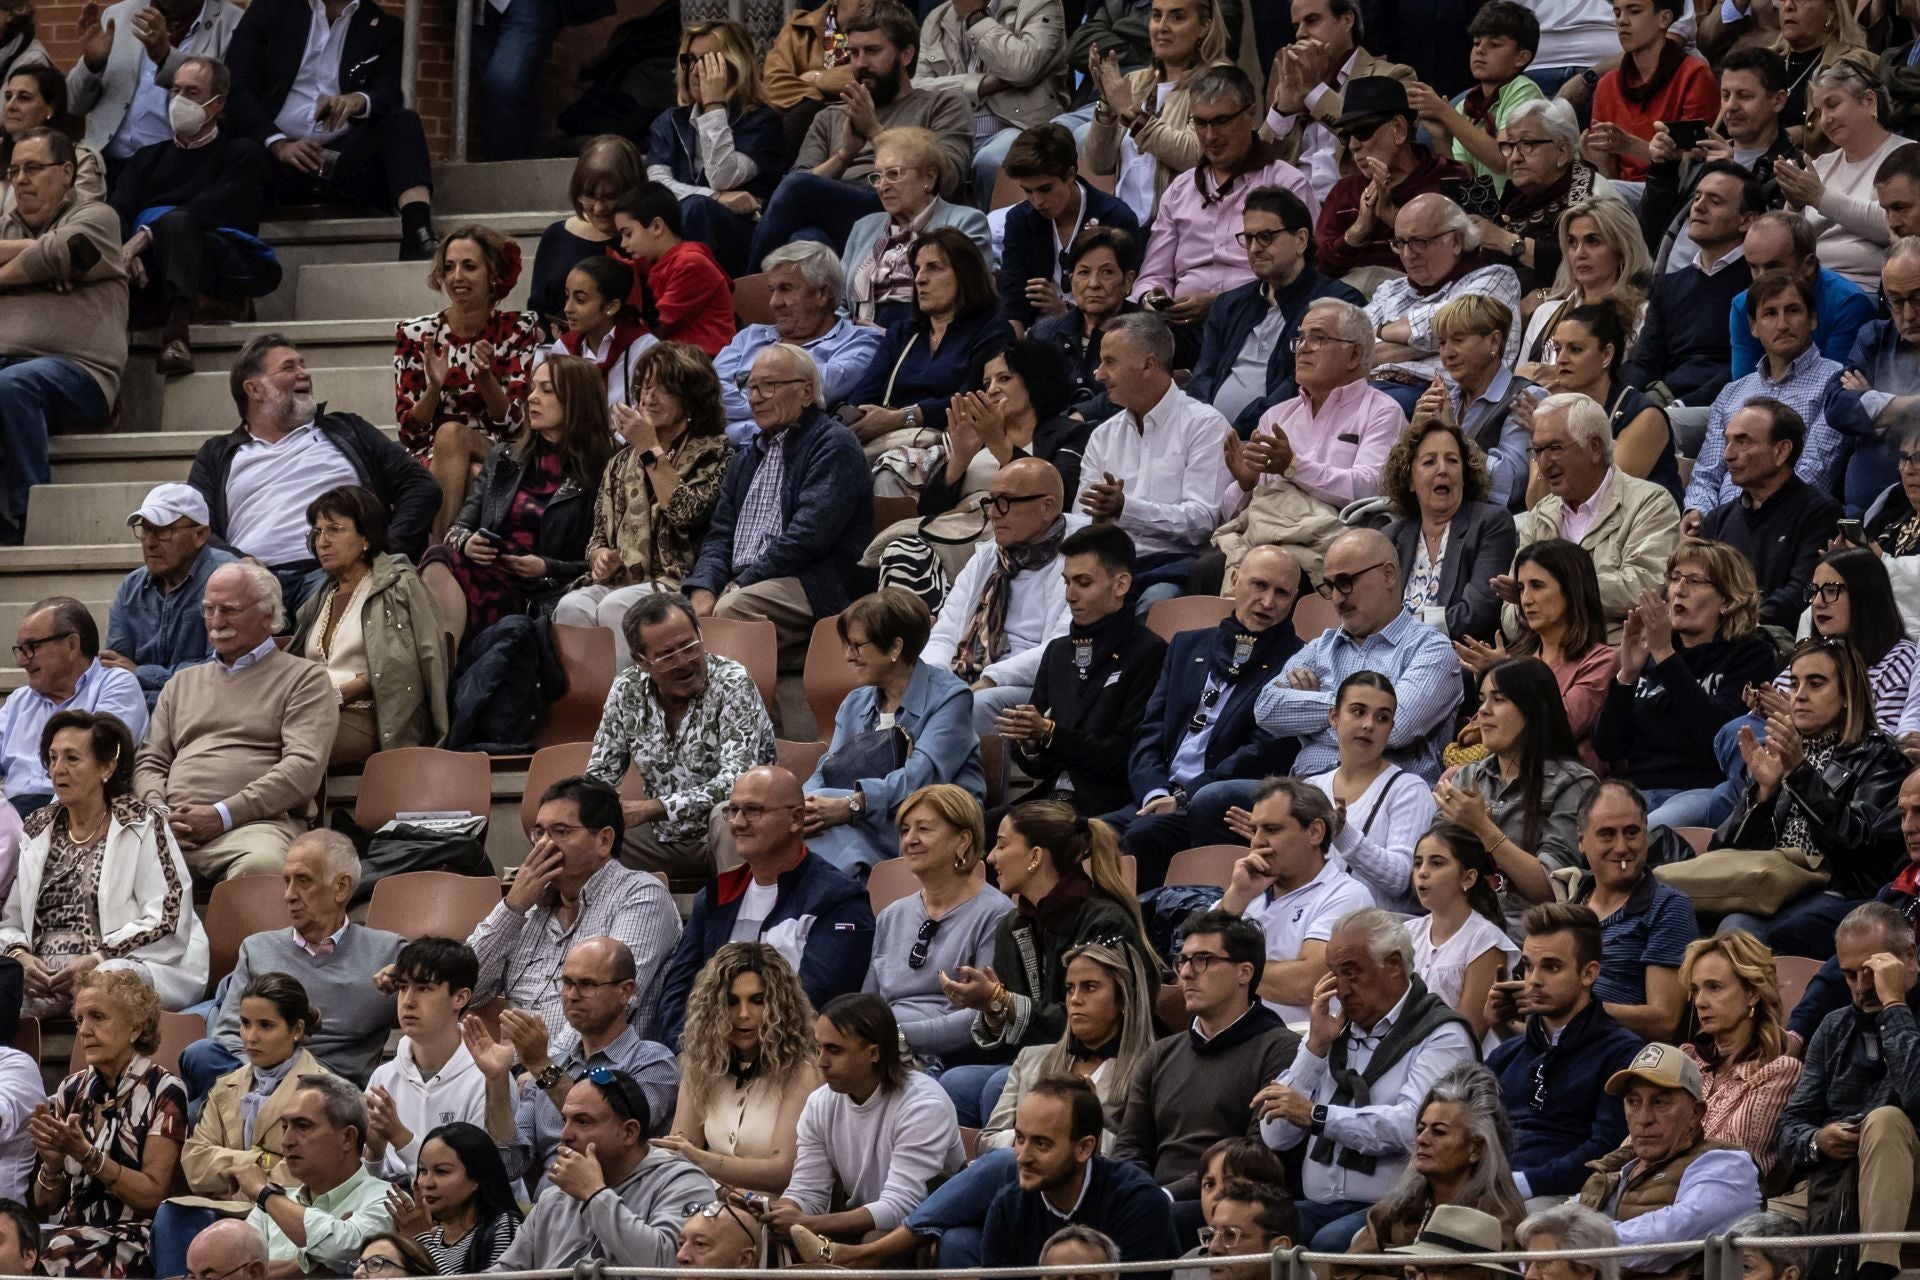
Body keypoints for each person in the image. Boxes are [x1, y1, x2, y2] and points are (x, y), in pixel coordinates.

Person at [836, 940, 1159, 1271]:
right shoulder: (1032, 1059)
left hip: (1091, 1199)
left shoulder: (1147, 1069)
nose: (1075, 999)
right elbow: (988, 1139)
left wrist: (1074, 1122)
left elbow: (1131, 1154)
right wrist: (1037, 1139)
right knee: (961, 1235)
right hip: (1022, 1196)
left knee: (1008, 1159)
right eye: (1070, 988)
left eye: (1090, 988)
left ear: (1123, 999)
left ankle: (881, 1249)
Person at [1258, 908, 1479, 1251]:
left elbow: (1413, 1126)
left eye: (1351, 973)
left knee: (1327, 1243)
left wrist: (1318, 1116)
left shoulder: (1441, 1034)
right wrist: (1315, 1047)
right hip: (1318, 1204)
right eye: (1334, 975)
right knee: (1252, 1231)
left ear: (1393, 965)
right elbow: (1276, 1136)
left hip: (1402, 1205)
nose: (1341, 990)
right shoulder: (1332, 1032)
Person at [939, 801, 1155, 1123]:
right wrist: (992, 1007)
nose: (992, 857)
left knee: (996, 1086)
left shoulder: (1104, 921)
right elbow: (1009, 1036)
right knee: (953, 1084)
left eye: (1001, 844)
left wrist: (1002, 999)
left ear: (1035, 857)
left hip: (1101, 1058)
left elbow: (1092, 1020)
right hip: (1036, 1057)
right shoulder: (1012, 925)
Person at [131, 563, 337, 883]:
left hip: (255, 828)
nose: (216, 621)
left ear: (268, 614)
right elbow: (150, 760)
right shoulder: (181, 683)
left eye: (229, 609)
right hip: (171, 828)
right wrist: (159, 813)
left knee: (260, 867)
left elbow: (303, 769)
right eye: (209, 609)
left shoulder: (305, 679)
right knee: (100, 864)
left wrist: (222, 815)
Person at [189, 335, 441, 589]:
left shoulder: (349, 430)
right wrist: (236, 560)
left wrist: (382, 552)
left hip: (338, 575)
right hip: (253, 581)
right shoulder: (216, 454)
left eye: (303, 365)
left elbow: (420, 486)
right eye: (289, 368)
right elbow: (193, 526)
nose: (304, 374)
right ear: (254, 389)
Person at [1110, 545, 1305, 875]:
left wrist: (1184, 799)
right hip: (1154, 797)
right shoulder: (1187, 645)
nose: (1269, 602)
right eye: (1260, 585)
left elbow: (1261, 753)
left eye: (1282, 593)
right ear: (1234, 581)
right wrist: (1154, 793)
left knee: (1142, 838)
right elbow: (1150, 730)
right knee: (1076, 836)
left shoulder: (1296, 662)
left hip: (1209, 806)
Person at [0, 709, 206, 1020]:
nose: (58, 770)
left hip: (125, 964)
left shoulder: (142, 824)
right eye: (53, 758)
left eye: (72, 759)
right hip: (44, 980)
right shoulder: (37, 827)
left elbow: (168, 916)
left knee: (107, 981)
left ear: (107, 767)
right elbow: (10, 918)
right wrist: (19, 957)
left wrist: (99, 957)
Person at [653, 765, 874, 1050]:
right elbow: (677, 990)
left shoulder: (838, 900)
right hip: (707, 1058)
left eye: (753, 810)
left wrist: (746, 1054)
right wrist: (687, 1052)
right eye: (732, 811)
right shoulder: (716, 895)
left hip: (792, 1061)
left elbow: (819, 1000)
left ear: (796, 818)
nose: (737, 822)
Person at [684, 344, 872, 675]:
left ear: (805, 391)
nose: (755, 397)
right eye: (751, 386)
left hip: (813, 580)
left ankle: (745, 722)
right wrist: (704, 587)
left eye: (768, 385)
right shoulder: (746, 456)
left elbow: (809, 537)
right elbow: (720, 534)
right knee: (675, 617)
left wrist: (740, 584)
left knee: (734, 610)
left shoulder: (833, 444)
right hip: (747, 579)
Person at [1716, 638, 1910, 953]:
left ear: (1847, 694)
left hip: (1835, 891)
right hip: (1771, 888)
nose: (1800, 696)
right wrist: (1763, 794)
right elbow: (1724, 853)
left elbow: (1858, 845)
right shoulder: (1783, 751)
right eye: (1794, 684)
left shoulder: (1878, 754)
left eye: (1816, 684)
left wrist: (1800, 773)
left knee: (1741, 929)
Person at [746, 1, 973, 270]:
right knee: (806, 241)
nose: (860, 63)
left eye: (873, 51)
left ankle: (745, 293)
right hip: (840, 215)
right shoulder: (830, 116)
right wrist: (844, 155)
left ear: (906, 54)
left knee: (799, 189)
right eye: (853, 53)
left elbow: (947, 180)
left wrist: (874, 132)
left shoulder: (943, 104)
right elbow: (793, 192)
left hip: (900, 210)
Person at [181, 830, 405, 1095]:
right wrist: (268, 1082)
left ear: (341, 887)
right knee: (199, 1056)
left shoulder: (387, 952)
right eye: (286, 882)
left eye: (303, 881)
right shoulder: (257, 948)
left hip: (328, 1096)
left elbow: (458, 985)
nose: (289, 895)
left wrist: (411, 974)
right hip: (256, 1083)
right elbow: (228, 1035)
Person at [552, 346, 734, 668]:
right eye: (645, 387)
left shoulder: (715, 452)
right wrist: (600, 558)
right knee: (572, 606)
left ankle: (637, 709)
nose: (650, 398)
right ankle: (590, 710)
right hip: (620, 580)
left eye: (664, 389)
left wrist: (649, 448)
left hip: (680, 579)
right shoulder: (620, 461)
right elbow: (597, 537)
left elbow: (686, 512)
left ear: (691, 399)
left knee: (618, 607)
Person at [1114, 909, 1299, 1225]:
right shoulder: (1160, 1054)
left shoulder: (1280, 1049)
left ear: (1244, 972)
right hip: (1154, 1200)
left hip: (1230, 1205)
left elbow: (1257, 1157)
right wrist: (1141, 1195)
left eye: (1203, 960)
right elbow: (1130, 1148)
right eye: (1183, 960)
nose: (1186, 973)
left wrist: (1161, 1198)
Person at [418, 354, 614, 651]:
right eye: (532, 388)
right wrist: (468, 542)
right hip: (489, 574)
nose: (532, 398)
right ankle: (443, 671)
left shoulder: (605, 468)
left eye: (546, 390)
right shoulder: (505, 456)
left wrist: (545, 566)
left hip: (543, 591)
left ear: (577, 400)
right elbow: (457, 529)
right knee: (437, 557)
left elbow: (597, 561)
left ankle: (445, 679)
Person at [744, 994, 964, 1257]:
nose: (821, 1062)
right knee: (761, 1232)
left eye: (834, 1050)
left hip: (925, 1230)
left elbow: (902, 1206)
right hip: (867, 1221)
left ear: (873, 1053)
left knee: (873, 1236)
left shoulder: (923, 1105)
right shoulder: (820, 1103)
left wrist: (806, 1224)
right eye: (819, 1048)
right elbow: (808, 1191)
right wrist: (776, 1212)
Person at [1205, 298, 1403, 586]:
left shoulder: (1383, 411)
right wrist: (1246, 484)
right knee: (1206, 570)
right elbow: (1235, 512)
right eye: (1300, 338)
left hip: (1334, 543)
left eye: (1318, 338)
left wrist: (1294, 466)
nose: (1303, 347)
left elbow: (1370, 488)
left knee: (1276, 576)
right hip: (1267, 537)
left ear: (1354, 355)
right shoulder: (1278, 416)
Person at [468, 776, 681, 1044]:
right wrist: (513, 907)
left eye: (561, 831)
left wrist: (543, 1068)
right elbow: (466, 989)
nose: (544, 844)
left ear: (604, 840)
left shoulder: (640, 896)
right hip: (512, 1069)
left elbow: (606, 1010)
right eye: (539, 832)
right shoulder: (530, 906)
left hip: (593, 1075)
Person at [1590, 539, 1783, 826]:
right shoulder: (1652, 655)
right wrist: (1627, 675)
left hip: (1701, 790)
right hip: (1637, 791)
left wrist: (1666, 656)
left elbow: (1718, 735)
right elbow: (1608, 747)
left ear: (1728, 600)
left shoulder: (1750, 654)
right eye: (1675, 579)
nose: (1679, 589)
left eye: (1694, 581)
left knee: (1648, 833)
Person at [1775, 902, 1920, 1280]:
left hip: (1913, 1181)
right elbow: (1790, 1128)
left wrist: (1894, 1007)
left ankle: (1875, 1269)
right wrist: (1818, 1141)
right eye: (1850, 975)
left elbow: (1918, 1097)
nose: (1860, 987)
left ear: (1909, 957)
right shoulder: (1833, 1027)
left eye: (1871, 971)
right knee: (1752, 1238)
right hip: (1839, 1184)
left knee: (1885, 1121)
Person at [222, 0, 436, 256]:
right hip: (275, 157)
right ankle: (235, 257)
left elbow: (389, 92)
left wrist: (360, 99)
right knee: (243, 152)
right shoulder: (270, 10)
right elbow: (236, 86)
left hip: (339, 159)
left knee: (403, 121)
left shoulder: (382, 25)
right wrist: (279, 144)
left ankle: (418, 232)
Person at [468, 935, 680, 1193]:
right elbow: (509, 1164)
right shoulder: (553, 1065)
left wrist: (539, 1065)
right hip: (546, 1216)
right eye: (567, 983)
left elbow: (611, 1138)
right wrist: (497, 1078)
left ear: (625, 991)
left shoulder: (653, 1062)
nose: (572, 995)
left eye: (587, 984)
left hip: (613, 1208)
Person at [583, 593, 774, 877]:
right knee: (581, 838)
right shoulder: (627, 689)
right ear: (642, 660)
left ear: (700, 633)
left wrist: (656, 807)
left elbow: (738, 782)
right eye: (666, 655)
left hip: (730, 832)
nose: (683, 662)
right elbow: (599, 775)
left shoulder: (733, 682)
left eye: (689, 647)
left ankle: (742, 917)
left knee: (729, 815)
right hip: (662, 838)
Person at [1131, 67, 1318, 357]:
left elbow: (1305, 276)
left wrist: (1220, 303)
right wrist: (1153, 298)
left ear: (1250, 115)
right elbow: (1153, 274)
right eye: (1201, 123)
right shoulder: (1180, 189)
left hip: (1258, 321)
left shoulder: (1287, 184)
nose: (1210, 136)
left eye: (1220, 121)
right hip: (1178, 326)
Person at [1256, 527, 1465, 783]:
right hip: (1306, 789)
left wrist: (1315, 713)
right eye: (1330, 586)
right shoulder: (1322, 645)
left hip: (1384, 798)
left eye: (1345, 582)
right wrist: (1359, 713)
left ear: (1388, 576)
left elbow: (1393, 730)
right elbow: (1266, 708)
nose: (1336, 598)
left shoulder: (1431, 648)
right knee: (1216, 801)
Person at [801, 588, 985, 875]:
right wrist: (804, 804)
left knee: (826, 841)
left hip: (926, 820)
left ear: (895, 647)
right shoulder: (855, 702)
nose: (848, 657)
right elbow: (828, 769)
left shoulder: (951, 698)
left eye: (857, 645)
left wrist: (852, 805)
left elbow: (921, 780)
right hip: (860, 817)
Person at [108, 56, 273, 376]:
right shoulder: (147, 158)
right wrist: (125, 246)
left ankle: (175, 336)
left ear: (217, 104)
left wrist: (142, 238)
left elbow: (207, 209)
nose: (179, 100)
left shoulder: (242, 154)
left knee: (179, 221)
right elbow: (117, 208)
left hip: (214, 259)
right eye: (175, 91)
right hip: (149, 264)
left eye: (192, 93)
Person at [0, 127, 127, 541]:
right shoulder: (9, 226)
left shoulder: (97, 217)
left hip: (80, 374)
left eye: (34, 168)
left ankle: (30, 518)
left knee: (13, 384)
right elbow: (53, 254)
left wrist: (49, 255)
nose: (21, 179)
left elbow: (69, 250)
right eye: (15, 170)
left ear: (67, 171)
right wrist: (34, 261)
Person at [1000, 523, 1167, 815]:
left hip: (1108, 805)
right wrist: (1030, 743)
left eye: (1083, 583)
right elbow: (1036, 765)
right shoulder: (1058, 652)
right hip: (1050, 800)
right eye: (1067, 582)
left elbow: (1125, 757)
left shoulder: (1149, 652)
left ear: (1121, 585)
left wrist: (1050, 733)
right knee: (979, 829)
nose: (1070, 595)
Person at [29, 968, 186, 1277]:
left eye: (97, 1017)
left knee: (60, 1249)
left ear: (135, 1026)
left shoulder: (165, 1090)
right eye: (79, 1019)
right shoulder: (71, 1089)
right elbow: (45, 1202)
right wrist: (52, 1165)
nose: (84, 1030)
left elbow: (152, 1196)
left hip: (135, 1236)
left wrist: (88, 1156)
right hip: (70, 1231)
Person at [1484, 903, 1643, 1199]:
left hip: (1564, 1200)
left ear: (1588, 974)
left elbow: (1606, 1149)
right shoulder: (1506, 1055)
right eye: (1529, 965)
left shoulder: (1623, 1054)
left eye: (1551, 967)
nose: (1534, 980)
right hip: (1488, 1190)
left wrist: (1524, 1184)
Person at [392, 224, 543, 534]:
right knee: (471, 471)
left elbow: (515, 427)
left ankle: (435, 556)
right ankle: (453, 557)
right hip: (432, 456)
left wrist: (486, 379)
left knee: (451, 434)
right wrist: (434, 388)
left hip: (501, 451)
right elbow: (410, 434)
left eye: (469, 266)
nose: (456, 276)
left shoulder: (518, 328)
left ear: (493, 275)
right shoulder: (416, 334)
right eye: (449, 267)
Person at [1075, 311, 1235, 604]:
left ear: (1148, 364)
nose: (1098, 374)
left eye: (1110, 362)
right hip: (1107, 569)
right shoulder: (1102, 435)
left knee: (1155, 602)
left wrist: (1125, 508)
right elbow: (1080, 523)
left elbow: (1203, 522)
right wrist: (1098, 520)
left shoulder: (1205, 425)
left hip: (1172, 568)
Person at [289, 486, 448, 766]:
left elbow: (411, 664)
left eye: (334, 529)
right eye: (317, 532)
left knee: (284, 746)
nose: (322, 542)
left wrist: (338, 694)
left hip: (371, 717)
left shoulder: (400, 586)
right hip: (314, 714)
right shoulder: (318, 598)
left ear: (366, 537)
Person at [1505, 392, 1681, 643]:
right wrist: (1527, 604)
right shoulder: (1541, 515)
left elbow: (1645, 587)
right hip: (1545, 659)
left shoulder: (1650, 503)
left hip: (1615, 656)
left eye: (1554, 448)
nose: (1544, 463)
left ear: (1595, 448)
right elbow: (1510, 618)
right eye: (1538, 450)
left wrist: (1559, 589)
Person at [1187, 186, 1365, 435]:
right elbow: (1202, 378)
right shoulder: (1228, 305)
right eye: (1248, 238)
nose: (1254, 248)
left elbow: (1298, 389)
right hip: (1212, 440)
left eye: (1266, 237)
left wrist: (1235, 433)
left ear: (1301, 240)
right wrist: (1202, 429)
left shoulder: (1337, 304)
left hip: (1284, 439)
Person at [1437, 658, 1596, 932]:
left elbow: (1551, 889)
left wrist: (1484, 830)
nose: (1482, 711)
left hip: (1529, 934)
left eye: (1498, 699)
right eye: (1482, 699)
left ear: (1533, 708)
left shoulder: (1574, 784)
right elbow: (1428, 878)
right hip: (1460, 927)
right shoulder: (1466, 778)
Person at [1575, 1043, 1764, 1273]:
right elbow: (1558, 1229)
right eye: (1633, 1102)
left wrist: (1573, 1242)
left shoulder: (1727, 1165)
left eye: (1659, 1102)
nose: (1643, 1118)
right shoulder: (1613, 1170)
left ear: (1696, 1113)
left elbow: (1672, 1233)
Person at [654, 941, 819, 1194]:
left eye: (757, 1001)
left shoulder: (803, 1070)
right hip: (705, 1204)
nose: (743, 1013)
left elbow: (782, 1171)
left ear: (780, 1007)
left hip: (770, 1211)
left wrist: (702, 1160)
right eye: (731, 1002)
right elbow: (679, 1152)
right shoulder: (699, 1063)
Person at [838, 229, 1013, 465]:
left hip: (955, 448)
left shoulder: (992, 331)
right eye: (917, 269)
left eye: (934, 268)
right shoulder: (902, 333)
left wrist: (902, 417)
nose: (920, 278)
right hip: (887, 445)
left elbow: (972, 401)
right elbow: (863, 395)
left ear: (965, 275)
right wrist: (859, 416)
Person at [862, 785, 1010, 1062]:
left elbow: (983, 1015)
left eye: (924, 829)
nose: (910, 840)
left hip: (942, 1057)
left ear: (963, 840)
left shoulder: (997, 913)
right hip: (882, 1052)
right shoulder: (891, 915)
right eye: (905, 830)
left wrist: (898, 1036)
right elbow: (867, 1003)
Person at [1338, 1064, 1527, 1280]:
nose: (1422, 1139)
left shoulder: (1499, 1216)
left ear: (1475, 1149)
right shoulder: (1398, 1208)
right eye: (1420, 1129)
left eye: (1438, 1132)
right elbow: (1345, 1271)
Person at [921, 461, 1070, 734]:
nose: (992, 513)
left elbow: (1061, 647)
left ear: (1047, 507)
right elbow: (945, 633)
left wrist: (992, 677)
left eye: (1005, 502)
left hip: (1029, 685)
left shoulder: (1076, 558)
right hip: (964, 677)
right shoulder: (987, 556)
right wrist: (936, 682)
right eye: (990, 501)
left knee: (973, 705)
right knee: (882, 695)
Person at [1215, 777, 1376, 1021]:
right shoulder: (1244, 893)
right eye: (1254, 830)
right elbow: (1194, 965)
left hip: (1297, 1046)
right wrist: (1236, 898)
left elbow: (1308, 983)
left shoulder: (1346, 895)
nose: (1257, 841)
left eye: (1272, 829)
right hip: (1226, 1045)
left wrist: (1225, 970)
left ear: (1314, 832)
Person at [978, 1079, 1179, 1270]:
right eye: (1020, 1139)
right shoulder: (1007, 1207)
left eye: (1041, 1144)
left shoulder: (1138, 1202)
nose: (1023, 1157)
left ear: (1084, 1148)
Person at [1461, 539, 1615, 771]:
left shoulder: (1602, 661)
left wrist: (1510, 683)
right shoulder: (1520, 657)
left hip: (1560, 785)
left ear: (1572, 589)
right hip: (1502, 773)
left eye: (1537, 586)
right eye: (1521, 588)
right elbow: (1472, 737)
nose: (1525, 600)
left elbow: (1560, 728)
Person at [645, 21, 782, 280]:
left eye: (708, 61)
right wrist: (714, 196)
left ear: (735, 65)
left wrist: (714, 106)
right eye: (690, 60)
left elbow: (723, 176)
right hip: (681, 234)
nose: (696, 71)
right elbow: (657, 186)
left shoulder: (761, 121)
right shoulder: (670, 121)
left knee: (698, 209)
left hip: (742, 238)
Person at [1639, 47, 1796, 273]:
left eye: (1744, 96)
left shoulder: (1789, 169)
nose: (1731, 106)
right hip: (1666, 284)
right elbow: (1651, 233)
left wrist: (1734, 177)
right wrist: (1663, 171)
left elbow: (1774, 251)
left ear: (1778, 101)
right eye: (1725, 95)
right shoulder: (1701, 160)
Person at [1364, 196, 1524, 418]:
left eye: (1419, 242)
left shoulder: (1495, 278)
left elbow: (1453, 326)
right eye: (1400, 243)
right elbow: (1352, 348)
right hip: (1369, 389)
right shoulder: (1391, 290)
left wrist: (1380, 332)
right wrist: (1426, 341)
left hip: (1437, 398)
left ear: (1456, 241)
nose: (1408, 254)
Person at [1079, 0, 1235, 223]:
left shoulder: (1219, 80)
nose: (1162, 26)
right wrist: (1106, 103)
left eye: (1177, 17)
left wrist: (1130, 114)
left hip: (1182, 229)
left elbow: (1194, 154)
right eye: (1156, 16)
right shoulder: (1135, 81)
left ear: (1204, 27)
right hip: (1128, 230)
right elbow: (1099, 163)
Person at [1563, 781, 1698, 1039]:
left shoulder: (1668, 906)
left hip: (1618, 1059)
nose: (1622, 847)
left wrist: (1575, 1008)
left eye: (1632, 832)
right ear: (1581, 841)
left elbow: (1665, 1020)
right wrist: (1501, 1018)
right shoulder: (1568, 912)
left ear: (1646, 836)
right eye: (1607, 834)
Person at [713, 243, 883, 446]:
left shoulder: (861, 342)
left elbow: (810, 393)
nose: (774, 302)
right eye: (772, 290)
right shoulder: (749, 337)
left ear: (821, 294)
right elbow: (709, 392)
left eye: (785, 289)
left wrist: (740, 395)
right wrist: (771, 404)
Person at [1623, 163, 1763, 410]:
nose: (1698, 206)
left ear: (1747, 221)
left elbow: (1748, 365)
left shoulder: (1759, 281)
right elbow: (1646, 361)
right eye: (1697, 197)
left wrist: (1680, 406)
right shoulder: (1670, 285)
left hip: (1724, 405)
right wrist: (1625, 398)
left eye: (1715, 201)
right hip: (1664, 401)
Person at [1697, 400, 1842, 629]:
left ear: (1782, 451)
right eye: (1727, 441)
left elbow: (1802, 594)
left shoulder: (1820, 515)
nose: (1728, 454)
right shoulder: (1717, 521)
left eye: (1742, 441)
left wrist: (1730, 624)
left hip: (1776, 646)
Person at [179, 973, 324, 1199]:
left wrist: (228, 1169)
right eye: (245, 1023)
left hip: (284, 1221)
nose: (250, 1037)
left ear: (297, 1030)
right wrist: (259, 1161)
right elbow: (195, 1165)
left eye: (266, 1026)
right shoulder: (225, 1085)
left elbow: (299, 1179)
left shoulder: (322, 1092)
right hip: (222, 1212)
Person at [232, 1074, 393, 1274]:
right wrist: (309, 1260)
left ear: (347, 1137)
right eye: (285, 1127)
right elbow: (236, 1273)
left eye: (303, 1126)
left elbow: (341, 1249)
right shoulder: (268, 1211)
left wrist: (263, 1193)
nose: (286, 1141)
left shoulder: (386, 1200)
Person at [0, 598, 147, 817]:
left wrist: (45, 822)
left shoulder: (116, 685)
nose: (22, 661)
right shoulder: (19, 701)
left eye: (31, 648)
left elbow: (97, 762)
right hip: (13, 817)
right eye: (20, 650)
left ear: (72, 645)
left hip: (78, 815)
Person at [1314, 77, 1473, 277]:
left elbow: (1477, 254)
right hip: (1353, 302)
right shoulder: (1344, 192)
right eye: (1346, 136)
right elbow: (1320, 269)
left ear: (1398, 128)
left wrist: (1390, 213)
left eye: (1363, 131)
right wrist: (1359, 229)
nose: (1353, 145)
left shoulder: (1452, 176)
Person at [1307, 673, 1438, 913]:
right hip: (1313, 926)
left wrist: (1342, 833)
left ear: (1391, 728)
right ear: (1334, 716)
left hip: (1378, 935)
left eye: (1382, 718)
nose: (1369, 724)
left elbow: (1401, 878)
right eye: (1358, 711)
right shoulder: (1312, 788)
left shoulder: (1409, 789)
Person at [1777, 60, 1910, 293]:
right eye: (1818, 112)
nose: (1825, 120)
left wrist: (1820, 197)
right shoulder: (1820, 166)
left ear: (1869, 101)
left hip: (1866, 290)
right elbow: (1789, 246)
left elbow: (1898, 223)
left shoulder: (1908, 156)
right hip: (1805, 287)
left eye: (1833, 104)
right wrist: (1795, 206)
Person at [1677, 933, 1802, 1180]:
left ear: (1752, 993)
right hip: (1648, 1194)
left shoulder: (1778, 1072)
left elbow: (1728, 1159)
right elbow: (1634, 1144)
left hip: (1716, 1203)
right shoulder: (1686, 1061)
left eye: (1714, 987)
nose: (1700, 1002)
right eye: (1695, 989)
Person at [915, 0, 1068, 201]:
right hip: (953, 129)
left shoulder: (1039, 4)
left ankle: (992, 229)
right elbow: (917, 87)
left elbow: (1021, 68)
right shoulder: (937, 18)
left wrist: (976, 18)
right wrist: (980, 84)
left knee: (992, 160)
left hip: (1019, 127)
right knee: (910, 164)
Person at [103, 484, 236, 712]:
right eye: (145, 530)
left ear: (200, 535)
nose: (150, 542)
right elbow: (115, 670)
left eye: (163, 531)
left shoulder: (230, 578)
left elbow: (219, 671)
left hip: (208, 711)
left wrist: (141, 673)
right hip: (140, 713)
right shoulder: (131, 587)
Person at [841, 129, 993, 328]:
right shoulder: (864, 227)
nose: (882, 186)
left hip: (923, 342)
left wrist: (893, 339)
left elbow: (969, 297)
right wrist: (847, 337)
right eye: (877, 176)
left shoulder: (965, 222)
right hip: (858, 342)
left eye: (893, 174)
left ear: (929, 178)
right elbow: (840, 302)